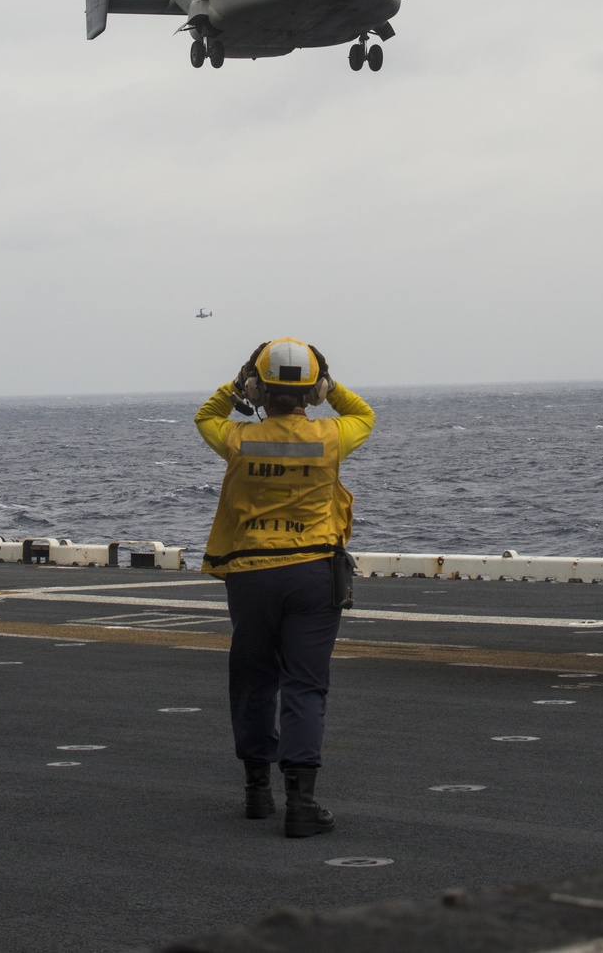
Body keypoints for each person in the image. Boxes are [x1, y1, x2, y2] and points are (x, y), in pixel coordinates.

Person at [194, 338, 375, 837]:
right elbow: (364, 413)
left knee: (253, 679)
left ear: (257, 388)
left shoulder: (237, 439)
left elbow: (204, 416)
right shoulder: (333, 437)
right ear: (312, 392)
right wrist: (330, 389)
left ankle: (256, 791)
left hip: (250, 574)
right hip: (314, 573)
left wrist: (235, 389)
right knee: (305, 684)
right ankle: (301, 801)